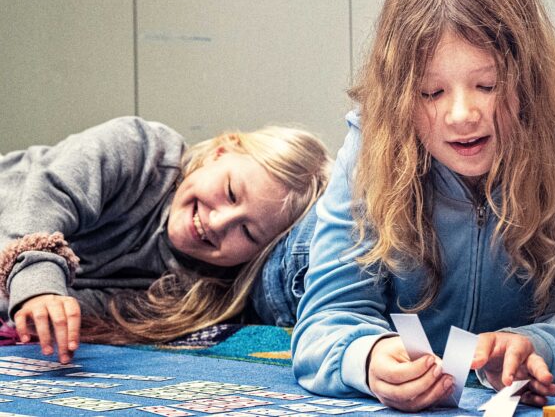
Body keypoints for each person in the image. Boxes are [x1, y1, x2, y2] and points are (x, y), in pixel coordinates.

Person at [273, 0, 555, 412]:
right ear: (400, 96)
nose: (462, 115)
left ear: (529, 75)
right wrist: (366, 359)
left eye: (487, 85)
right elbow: (327, 318)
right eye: (432, 93)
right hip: (290, 258)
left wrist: (539, 346)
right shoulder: (374, 141)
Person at [0, 116, 331, 363]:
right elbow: (46, 196)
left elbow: (79, 310)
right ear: (221, 151)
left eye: (247, 232)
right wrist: (39, 285)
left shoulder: (192, 296)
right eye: (230, 192)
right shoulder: (139, 148)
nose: (218, 222)